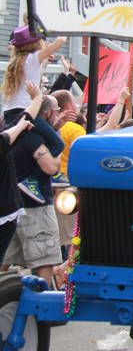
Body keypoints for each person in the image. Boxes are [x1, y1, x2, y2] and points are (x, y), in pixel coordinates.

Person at [2, 95, 64, 286]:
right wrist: (57, 159)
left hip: (11, 208)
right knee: (44, 260)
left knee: (4, 260)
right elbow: (50, 167)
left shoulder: (10, 134)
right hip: (36, 208)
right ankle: (39, 302)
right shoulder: (34, 138)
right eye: (56, 111)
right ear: (47, 113)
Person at [1, 27, 66, 171]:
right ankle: (32, 176)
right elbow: (61, 40)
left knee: (26, 145)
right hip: (25, 112)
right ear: (35, 43)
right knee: (57, 144)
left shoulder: (17, 61)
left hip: (10, 112)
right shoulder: (32, 59)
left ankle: (26, 175)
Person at [0, 82, 41, 263]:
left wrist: (37, 98)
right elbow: (17, 127)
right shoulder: (3, 141)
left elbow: (21, 122)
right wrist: (38, 97)